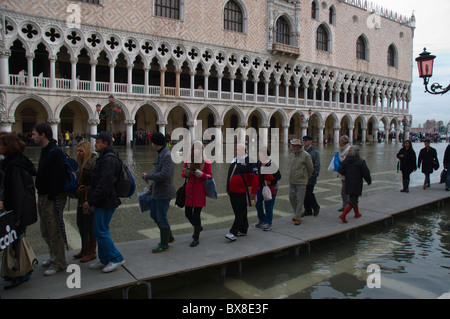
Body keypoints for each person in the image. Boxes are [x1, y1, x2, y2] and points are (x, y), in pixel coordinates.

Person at [82, 131, 124, 273]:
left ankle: (116, 257)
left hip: (106, 201)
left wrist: (91, 201)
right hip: (103, 200)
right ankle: (105, 259)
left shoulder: (108, 159)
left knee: (101, 230)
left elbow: (104, 184)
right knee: (99, 230)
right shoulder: (105, 157)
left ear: (105, 144)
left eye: (98, 142)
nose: (95, 144)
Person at [0, 133, 37, 289]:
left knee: (17, 242)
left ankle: (21, 273)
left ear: (7, 146)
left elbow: (18, 193)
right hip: (15, 209)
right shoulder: (14, 163)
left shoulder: (14, 166)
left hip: (17, 211)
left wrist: (17, 216)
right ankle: (17, 271)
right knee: (15, 241)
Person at [31, 123, 68, 276]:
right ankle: (54, 256)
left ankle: (59, 263)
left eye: (34, 134)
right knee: (45, 230)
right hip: (43, 195)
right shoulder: (45, 150)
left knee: (54, 230)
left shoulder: (55, 152)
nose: (32, 137)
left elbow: (59, 177)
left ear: (43, 135)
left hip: (51, 197)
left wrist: (52, 195)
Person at [141, 132, 176, 253]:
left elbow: (165, 174)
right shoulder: (161, 153)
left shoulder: (167, 155)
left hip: (164, 191)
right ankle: (169, 237)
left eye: (152, 142)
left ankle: (164, 243)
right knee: (154, 214)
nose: (151, 144)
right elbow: (159, 172)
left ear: (155, 143)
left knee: (161, 217)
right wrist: (151, 186)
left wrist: (148, 176)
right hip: (157, 190)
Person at [181, 141, 212, 247]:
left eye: (198, 149)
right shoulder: (188, 160)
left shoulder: (206, 162)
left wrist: (202, 174)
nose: (196, 151)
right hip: (189, 190)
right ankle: (198, 227)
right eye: (194, 149)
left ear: (202, 150)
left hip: (199, 191)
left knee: (196, 214)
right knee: (187, 213)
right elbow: (182, 174)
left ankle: (196, 237)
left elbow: (210, 176)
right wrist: (186, 172)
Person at [225, 143, 258, 241]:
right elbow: (229, 175)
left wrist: (253, 192)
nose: (237, 151)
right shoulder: (234, 160)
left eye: (239, 149)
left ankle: (233, 232)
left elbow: (255, 178)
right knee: (238, 211)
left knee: (240, 211)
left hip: (243, 191)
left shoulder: (250, 161)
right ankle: (243, 229)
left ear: (245, 150)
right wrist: (227, 186)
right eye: (236, 149)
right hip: (232, 191)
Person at [73, 141, 97, 262]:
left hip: (89, 199)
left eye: (81, 151)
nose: (78, 153)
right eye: (77, 151)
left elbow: (95, 184)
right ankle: (84, 249)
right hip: (81, 198)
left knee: (89, 226)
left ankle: (91, 251)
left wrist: (83, 191)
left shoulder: (92, 164)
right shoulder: (80, 163)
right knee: (81, 224)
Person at [337, 146, 372, 223]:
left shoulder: (346, 161)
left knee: (353, 198)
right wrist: (369, 181)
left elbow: (340, 170)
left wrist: (347, 174)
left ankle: (357, 213)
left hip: (348, 182)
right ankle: (343, 215)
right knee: (353, 200)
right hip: (357, 183)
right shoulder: (361, 161)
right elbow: (366, 173)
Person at [255, 146, 281, 231]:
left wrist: (271, 182)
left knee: (268, 205)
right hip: (260, 186)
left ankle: (268, 222)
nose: (258, 154)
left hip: (270, 188)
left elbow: (278, 176)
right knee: (257, 203)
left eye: (260, 152)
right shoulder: (258, 163)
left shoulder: (271, 164)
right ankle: (262, 219)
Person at [288, 139, 313, 226]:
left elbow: (310, 168)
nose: (293, 147)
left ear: (299, 146)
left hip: (301, 181)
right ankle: (297, 213)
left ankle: (298, 217)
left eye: (294, 145)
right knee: (291, 196)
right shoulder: (293, 154)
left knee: (299, 199)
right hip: (292, 180)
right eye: (292, 145)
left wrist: (305, 177)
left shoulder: (306, 155)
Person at [302, 135, 321, 217]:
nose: (305, 142)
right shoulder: (302, 151)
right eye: (304, 141)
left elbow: (317, 165)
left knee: (309, 193)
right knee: (303, 194)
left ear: (310, 141)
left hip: (311, 176)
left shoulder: (315, 152)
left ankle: (315, 206)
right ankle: (307, 210)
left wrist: (314, 175)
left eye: (306, 141)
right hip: (303, 176)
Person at [337, 135, 351, 211]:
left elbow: (346, 161)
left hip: (347, 174)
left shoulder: (349, 149)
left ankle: (346, 206)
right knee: (344, 191)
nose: (339, 141)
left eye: (340, 140)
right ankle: (346, 205)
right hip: (343, 173)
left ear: (343, 141)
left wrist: (338, 157)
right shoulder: (343, 149)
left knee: (345, 191)